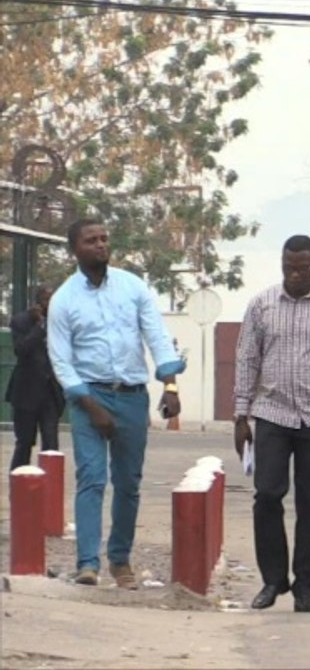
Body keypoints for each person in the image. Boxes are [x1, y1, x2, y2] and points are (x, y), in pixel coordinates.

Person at [47, 218, 185, 588]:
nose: (101, 245)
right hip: (87, 396)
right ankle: (87, 563)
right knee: (91, 478)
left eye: (105, 239)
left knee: (128, 482)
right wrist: (92, 407)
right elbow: (61, 360)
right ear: (74, 249)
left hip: (131, 396)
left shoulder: (132, 287)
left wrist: (170, 388)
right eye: (91, 240)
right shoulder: (64, 300)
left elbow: (156, 336)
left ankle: (120, 560)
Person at [233, 235, 310, 613]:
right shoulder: (261, 306)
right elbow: (246, 359)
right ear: (282, 264)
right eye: (290, 267)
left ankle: (306, 588)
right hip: (271, 412)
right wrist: (241, 414)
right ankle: (273, 580)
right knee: (267, 495)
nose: (297, 273)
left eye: (303, 267)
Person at [7, 286, 64, 471]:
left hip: (50, 392)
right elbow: (21, 350)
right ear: (38, 303)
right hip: (26, 392)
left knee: (51, 443)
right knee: (24, 442)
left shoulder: (59, 321)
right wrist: (39, 327)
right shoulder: (21, 321)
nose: (50, 304)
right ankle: (19, 481)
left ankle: (50, 487)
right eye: (46, 300)